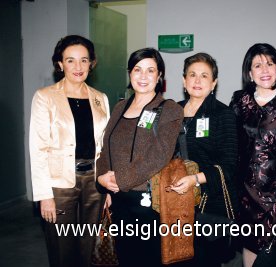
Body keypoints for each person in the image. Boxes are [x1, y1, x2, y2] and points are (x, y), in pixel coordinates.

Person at [96, 47, 183, 267]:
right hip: (118, 198)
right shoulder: (119, 107)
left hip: (148, 201)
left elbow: (159, 156)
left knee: (148, 259)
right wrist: (102, 178)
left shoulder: (169, 109)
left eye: (150, 70)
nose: (143, 76)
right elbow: (105, 147)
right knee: (125, 257)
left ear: (159, 75)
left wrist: (119, 180)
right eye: (137, 69)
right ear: (130, 73)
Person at [29, 35, 110, 267]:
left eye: (84, 60)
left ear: (91, 64)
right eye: (71, 60)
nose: (78, 66)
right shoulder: (45, 97)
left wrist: (106, 189)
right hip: (59, 185)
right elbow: (38, 148)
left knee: (89, 246)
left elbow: (104, 146)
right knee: (62, 248)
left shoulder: (99, 98)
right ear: (60, 63)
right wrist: (44, 195)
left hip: (94, 183)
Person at [230, 43, 276, 267]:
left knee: (274, 252)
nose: (264, 70)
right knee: (249, 247)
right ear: (250, 73)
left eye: (270, 64)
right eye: (258, 65)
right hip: (244, 192)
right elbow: (231, 144)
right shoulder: (239, 100)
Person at [169, 52, 239, 267]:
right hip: (175, 203)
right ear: (183, 80)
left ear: (214, 83)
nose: (197, 81)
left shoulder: (223, 114)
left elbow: (230, 166)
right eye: (192, 75)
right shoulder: (172, 112)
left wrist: (195, 180)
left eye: (204, 76)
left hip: (209, 204)